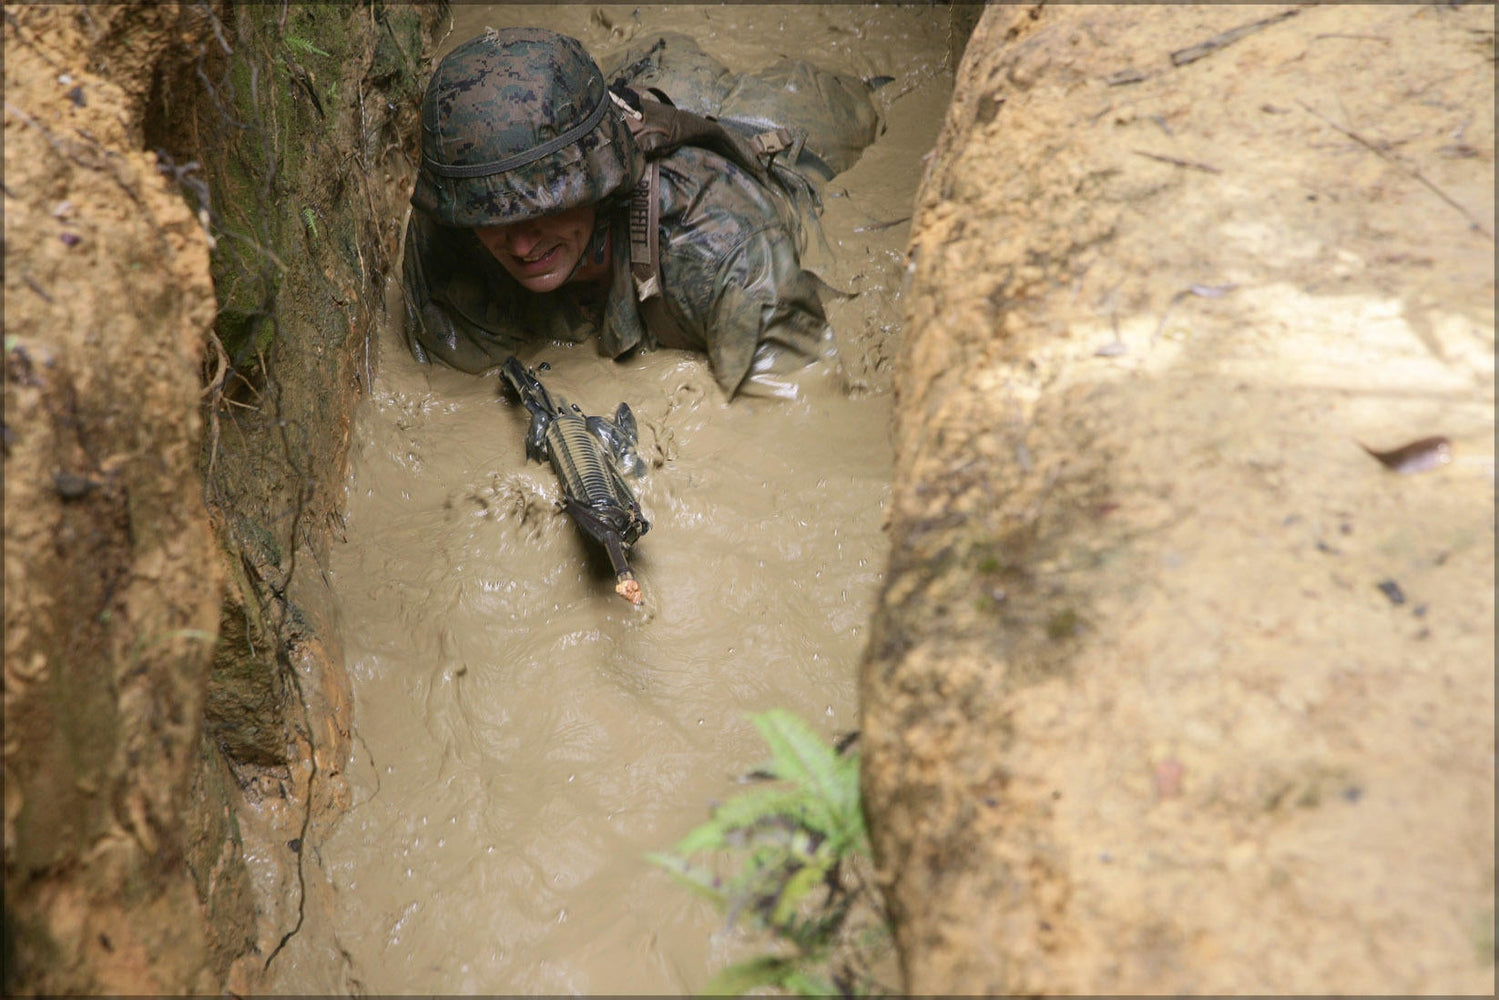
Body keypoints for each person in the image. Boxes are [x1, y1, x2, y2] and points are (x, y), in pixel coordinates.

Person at [401, 26, 881, 398]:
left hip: (766, 129)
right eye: (493, 220)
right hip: (632, 77)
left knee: (859, 106)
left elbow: (802, 410)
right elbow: (451, 380)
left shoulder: (718, 242)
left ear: (598, 179)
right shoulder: (457, 209)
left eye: (542, 210)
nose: (522, 245)